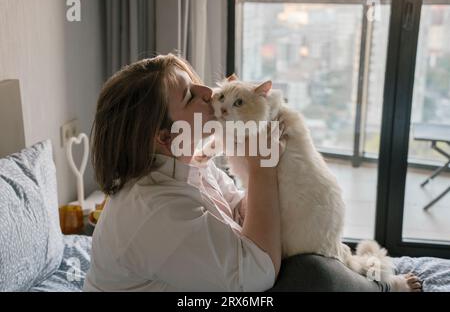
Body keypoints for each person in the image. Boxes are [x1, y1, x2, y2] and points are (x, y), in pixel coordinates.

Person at [83, 53, 389, 292]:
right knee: (314, 275)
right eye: (191, 95)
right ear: (165, 137)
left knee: (313, 258)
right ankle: (380, 285)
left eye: (197, 83)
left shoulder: (189, 163)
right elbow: (259, 272)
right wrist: (262, 167)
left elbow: (242, 211)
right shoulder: (153, 212)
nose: (208, 92)